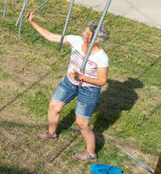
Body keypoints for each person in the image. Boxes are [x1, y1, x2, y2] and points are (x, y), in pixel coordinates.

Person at [27, 13, 109, 162]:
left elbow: (102, 81)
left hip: (89, 89)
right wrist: (32, 22)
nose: (83, 33)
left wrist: (82, 77)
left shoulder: (101, 57)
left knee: (82, 124)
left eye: (87, 33)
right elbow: (51, 36)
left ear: (96, 40)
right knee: (54, 107)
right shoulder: (76, 41)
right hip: (69, 83)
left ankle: (91, 153)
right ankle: (52, 133)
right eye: (84, 31)